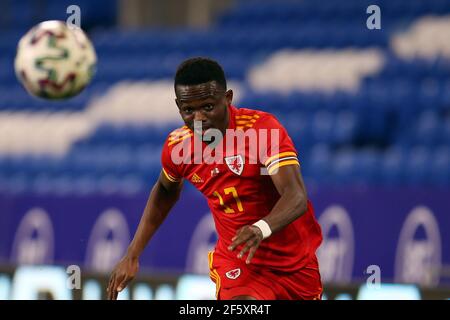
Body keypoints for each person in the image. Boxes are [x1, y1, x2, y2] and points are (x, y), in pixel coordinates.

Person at [107, 57, 323, 300]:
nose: (198, 119)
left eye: (208, 107)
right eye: (188, 110)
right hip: (238, 262)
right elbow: (165, 191)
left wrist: (260, 229)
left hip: (295, 264)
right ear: (178, 107)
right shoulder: (178, 147)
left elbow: (295, 196)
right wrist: (132, 254)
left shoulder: (262, 131)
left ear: (228, 98)